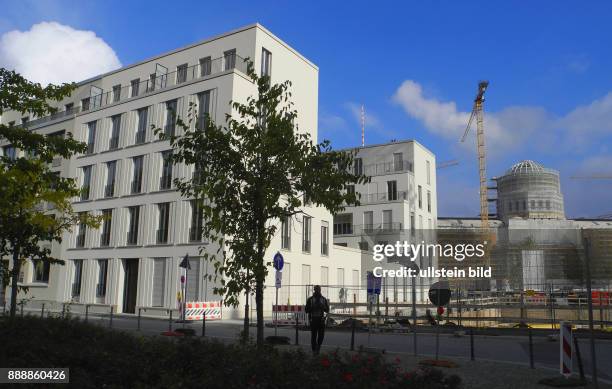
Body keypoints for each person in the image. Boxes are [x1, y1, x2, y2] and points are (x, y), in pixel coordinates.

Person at [305, 285, 329, 355]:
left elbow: (327, 310)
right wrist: (313, 307)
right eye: (316, 290)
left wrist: (323, 306)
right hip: (313, 320)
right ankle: (314, 350)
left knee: (321, 336)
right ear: (314, 290)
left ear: (320, 290)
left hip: (321, 320)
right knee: (313, 336)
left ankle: (318, 347)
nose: (318, 291)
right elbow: (306, 310)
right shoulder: (310, 299)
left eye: (319, 290)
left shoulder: (323, 299)